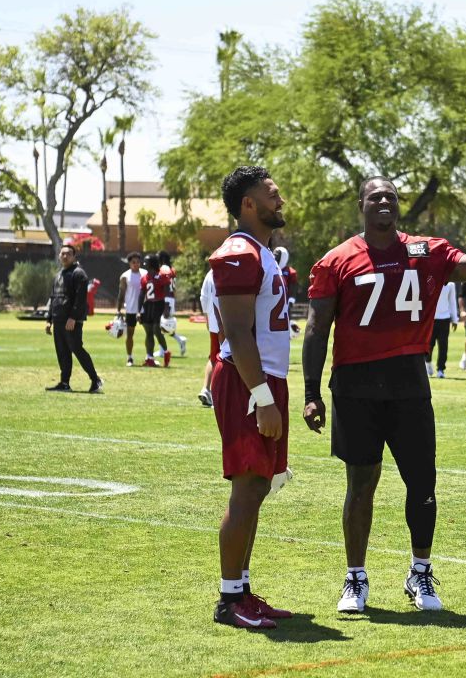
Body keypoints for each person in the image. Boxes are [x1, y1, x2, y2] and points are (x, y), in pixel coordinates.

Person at [301, 176, 466, 613]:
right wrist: (310, 392)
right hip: (356, 385)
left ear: (400, 207)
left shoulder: (425, 250)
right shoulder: (337, 260)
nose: (383, 201)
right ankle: (355, 578)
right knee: (360, 484)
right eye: (375, 196)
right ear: (360, 204)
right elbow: (318, 330)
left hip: (408, 383)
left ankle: (420, 573)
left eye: (391, 197)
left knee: (422, 484)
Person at [208, 165, 295, 629]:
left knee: (258, 486)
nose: (279, 201)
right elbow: (237, 331)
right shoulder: (238, 252)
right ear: (249, 204)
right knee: (246, 488)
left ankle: (241, 589)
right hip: (247, 381)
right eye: (272, 194)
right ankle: (228, 601)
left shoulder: (259, 251)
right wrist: (261, 395)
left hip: (265, 379)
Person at [44, 244, 103, 393]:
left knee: (76, 349)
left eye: (68, 254)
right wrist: (48, 319)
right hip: (58, 320)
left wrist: (73, 317)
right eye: (62, 254)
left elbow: (80, 299)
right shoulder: (58, 275)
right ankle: (64, 383)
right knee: (62, 352)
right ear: (59, 256)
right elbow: (54, 298)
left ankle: (95, 380)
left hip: (71, 321)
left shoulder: (79, 274)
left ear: (74, 256)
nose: (65, 256)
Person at [139, 254, 173, 367]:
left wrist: (167, 306)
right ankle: (149, 357)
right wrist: (139, 310)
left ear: (152, 263)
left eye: (146, 262)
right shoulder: (144, 277)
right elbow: (141, 294)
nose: (144, 263)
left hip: (159, 304)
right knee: (148, 332)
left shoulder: (161, 276)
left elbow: (167, 290)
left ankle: (166, 352)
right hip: (148, 305)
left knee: (156, 330)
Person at [117, 252, 148, 367]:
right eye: (133, 262)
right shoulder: (125, 276)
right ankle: (129, 357)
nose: (136, 264)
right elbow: (121, 293)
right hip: (130, 309)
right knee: (130, 334)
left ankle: (149, 357)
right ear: (129, 263)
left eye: (138, 262)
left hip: (145, 309)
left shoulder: (145, 274)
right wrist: (118, 310)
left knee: (149, 333)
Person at [425, 281, 459, 378]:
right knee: (429, 345)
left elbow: (452, 301)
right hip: (431, 319)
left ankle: (441, 369)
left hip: (445, 319)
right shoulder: (430, 281)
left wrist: (454, 319)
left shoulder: (451, 285)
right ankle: (428, 362)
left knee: (443, 345)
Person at [158, 255, 189, 357]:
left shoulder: (164, 269)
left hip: (166, 298)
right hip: (171, 298)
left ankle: (162, 351)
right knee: (166, 326)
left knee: (161, 324)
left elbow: (164, 285)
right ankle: (180, 340)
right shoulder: (172, 270)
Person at [197, 269, 219, 408]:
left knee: (213, 356)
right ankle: (217, 394)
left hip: (213, 321)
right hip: (228, 322)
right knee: (226, 358)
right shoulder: (233, 268)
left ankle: (206, 388)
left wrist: (207, 318)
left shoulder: (210, 273)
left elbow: (203, 297)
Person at [274, 247, 300, 336]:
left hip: (285, 300)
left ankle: (288, 331)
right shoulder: (270, 269)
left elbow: (293, 286)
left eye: (278, 255)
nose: (275, 256)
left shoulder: (290, 272)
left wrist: (292, 299)